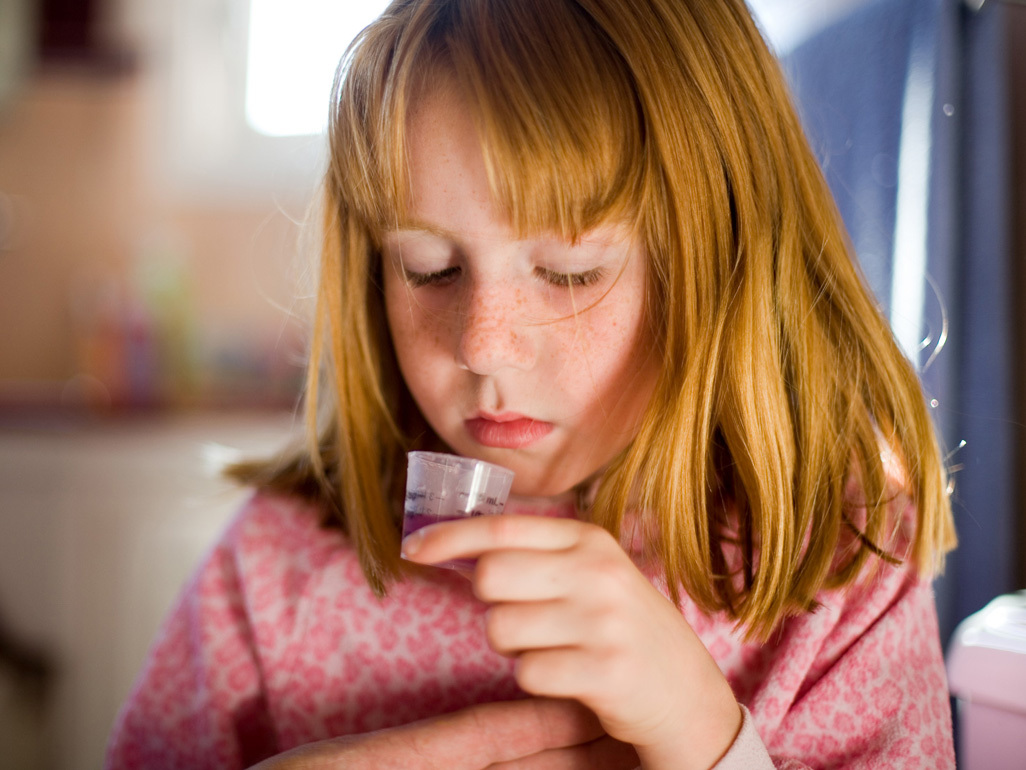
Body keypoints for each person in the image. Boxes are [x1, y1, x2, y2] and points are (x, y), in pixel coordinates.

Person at [105, 0, 957, 767]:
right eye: (428, 268)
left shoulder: (841, 568)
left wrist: (708, 742)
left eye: (571, 272)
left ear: (726, 264)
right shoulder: (273, 567)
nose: (483, 347)